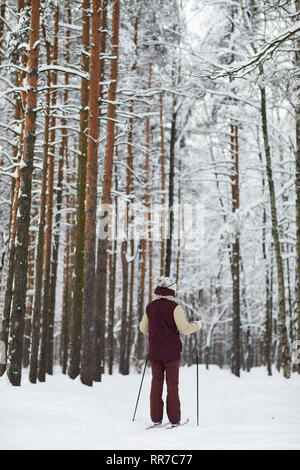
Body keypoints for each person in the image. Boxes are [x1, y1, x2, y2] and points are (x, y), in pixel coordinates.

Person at [139, 276, 201, 427]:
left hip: (155, 352)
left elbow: (143, 328)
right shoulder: (175, 307)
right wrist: (197, 325)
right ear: (172, 290)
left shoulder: (150, 307)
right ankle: (174, 419)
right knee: (172, 385)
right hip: (171, 354)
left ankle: (156, 419)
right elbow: (184, 329)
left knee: (156, 384)